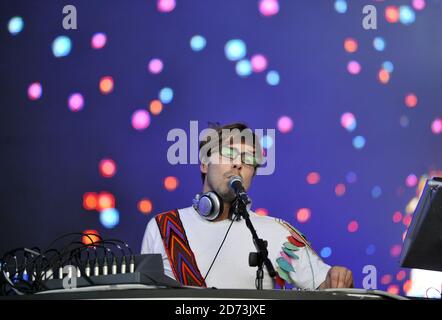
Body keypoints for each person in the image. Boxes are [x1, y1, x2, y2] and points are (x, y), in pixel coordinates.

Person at [141, 122, 353, 290]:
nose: (238, 164)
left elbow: (327, 286)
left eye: (248, 159)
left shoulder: (277, 233)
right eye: (229, 154)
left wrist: (338, 277)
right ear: (204, 163)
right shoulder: (162, 227)